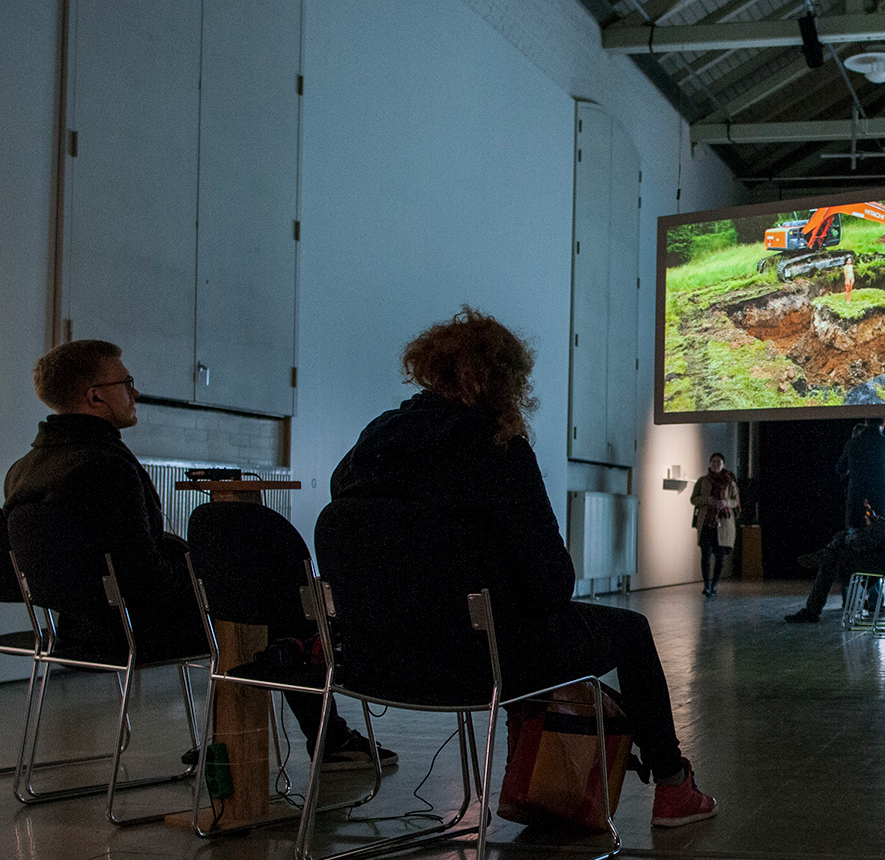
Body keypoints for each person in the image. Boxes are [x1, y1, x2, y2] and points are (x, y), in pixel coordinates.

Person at [329, 306, 716, 826]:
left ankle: (536, 779)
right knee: (630, 631)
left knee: (508, 619)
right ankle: (673, 787)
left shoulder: (368, 447)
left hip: (371, 663)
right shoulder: (497, 447)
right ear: (504, 382)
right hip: (478, 665)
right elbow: (553, 583)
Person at [4, 339, 393, 771]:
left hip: (79, 629)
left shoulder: (25, 468)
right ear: (94, 395)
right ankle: (323, 743)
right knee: (274, 605)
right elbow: (143, 578)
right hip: (134, 629)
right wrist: (207, 584)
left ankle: (250, 743)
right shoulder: (104, 466)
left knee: (255, 595)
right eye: (127, 382)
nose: (135, 393)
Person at [785, 466, 885, 623]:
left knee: (832, 557)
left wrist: (873, 528)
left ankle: (811, 610)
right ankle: (825, 557)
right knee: (842, 541)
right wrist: (877, 522)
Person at [690, 452, 739, 597]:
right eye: (713, 462)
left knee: (719, 557)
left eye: (719, 462)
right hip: (706, 523)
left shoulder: (730, 482)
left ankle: (714, 584)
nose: (716, 465)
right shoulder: (703, 481)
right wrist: (707, 500)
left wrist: (726, 502)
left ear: (723, 465)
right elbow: (694, 499)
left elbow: (735, 501)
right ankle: (706, 585)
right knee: (705, 555)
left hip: (723, 525)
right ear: (709, 464)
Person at [835, 417, 885, 528]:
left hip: (856, 499)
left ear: (866, 422)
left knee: (854, 538)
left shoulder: (853, 443)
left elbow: (840, 469)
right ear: (883, 423)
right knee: (877, 537)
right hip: (879, 499)